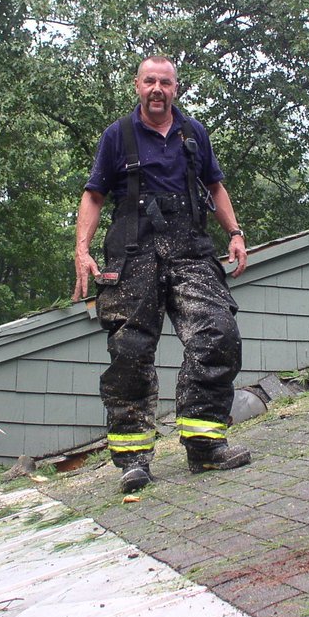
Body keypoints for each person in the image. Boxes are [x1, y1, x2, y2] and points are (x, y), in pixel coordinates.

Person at [74, 55, 251, 494]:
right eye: (149, 81)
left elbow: (214, 186)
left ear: (176, 88)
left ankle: (205, 444)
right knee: (129, 353)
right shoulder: (117, 136)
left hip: (190, 249)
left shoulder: (193, 133)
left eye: (165, 82)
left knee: (218, 332)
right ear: (137, 85)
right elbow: (94, 195)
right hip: (133, 254)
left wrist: (235, 232)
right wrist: (82, 250)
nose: (157, 89)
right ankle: (134, 459)